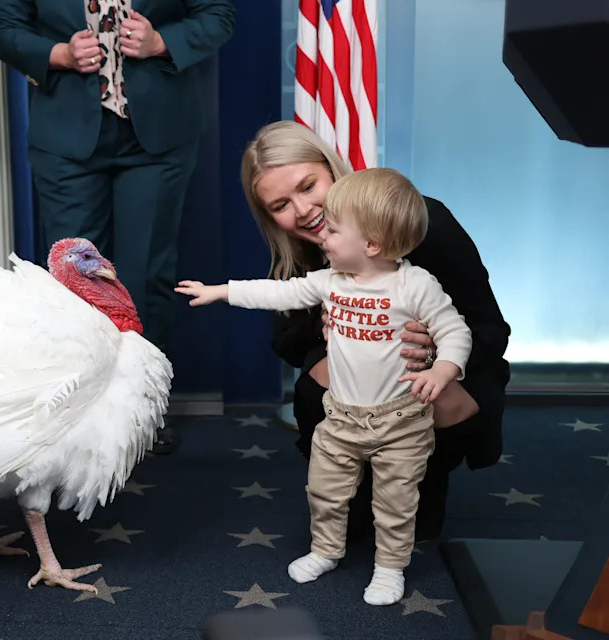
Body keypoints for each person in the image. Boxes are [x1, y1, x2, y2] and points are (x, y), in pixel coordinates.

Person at [178, 167, 473, 605]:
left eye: (334, 231)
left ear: (371, 245)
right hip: (341, 418)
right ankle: (325, 550)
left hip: (401, 420)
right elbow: (278, 293)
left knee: (395, 503)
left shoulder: (415, 285)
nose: (324, 238)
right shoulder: (330, 282)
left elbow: (456, 330)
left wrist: (442, 370)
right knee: (325, 492)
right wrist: (222, 291)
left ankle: (390, 568)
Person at [241, 121, 511, 541]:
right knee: (319, 374)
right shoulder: (299, 252)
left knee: (415, 531)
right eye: (280, 205)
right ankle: (344, 486)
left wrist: (437, 352)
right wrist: (324, 321)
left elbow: (492, 330)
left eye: (308, 186)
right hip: (355, 398)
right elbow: (287, 344)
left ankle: (424, 475)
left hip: (434, 382)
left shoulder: (423, 221)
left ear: (331, 168)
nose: (303, 211)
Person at [0, 0, 237, 454]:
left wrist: (164, 42)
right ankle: (78, 415)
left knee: (146, 275)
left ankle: (144, 412)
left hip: (158, 137)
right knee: (72, 283)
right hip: (66, 138)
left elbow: (217, 16)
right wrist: (58, 54)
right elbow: (4, 30)